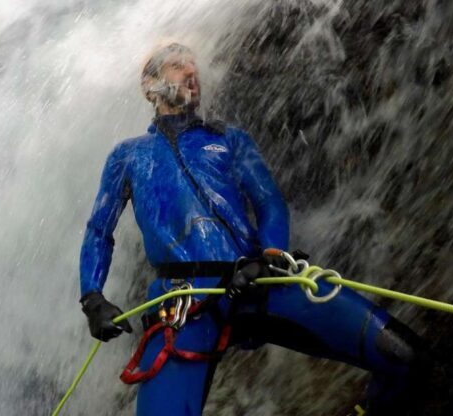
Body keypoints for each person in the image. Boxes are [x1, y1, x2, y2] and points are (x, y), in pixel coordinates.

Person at [78, 42, 426, 415]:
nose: (191, 72)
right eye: (178, 65)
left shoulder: (230, 139)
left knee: (403, 355)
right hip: (182, 300)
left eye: (194, 65)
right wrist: (92, 297)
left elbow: (269, 202)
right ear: (150, 86)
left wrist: (272, 253)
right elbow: (100, 229)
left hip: (256, 279)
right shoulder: (128, 155)